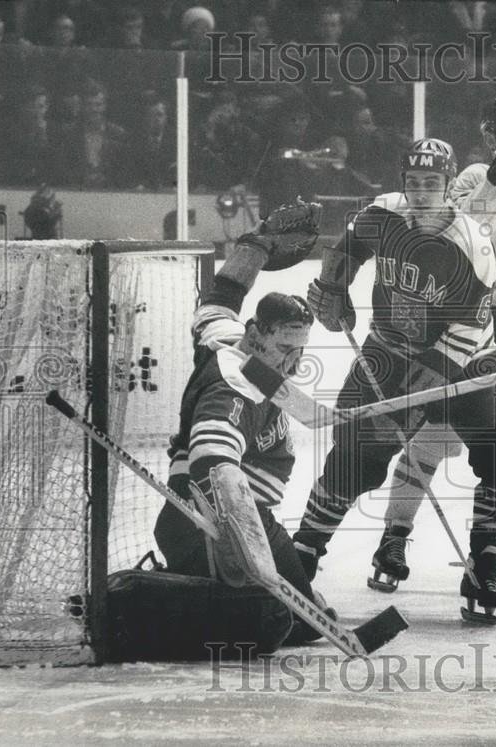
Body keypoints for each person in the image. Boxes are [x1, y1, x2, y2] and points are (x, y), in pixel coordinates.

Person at [300, 137, 496, 624]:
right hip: (387, 351)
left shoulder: (471, 242)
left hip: (469, 363)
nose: (422, 192)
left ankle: (485, 564)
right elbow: (345, 250)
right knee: (356, 455)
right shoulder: (383, 213)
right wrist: (332, 288)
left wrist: (407, 403)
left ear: (450, 188)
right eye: (413, 183)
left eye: (432, 184)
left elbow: (466, 333)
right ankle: (303, 551)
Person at [366, 92, 496, 597]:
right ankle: (394, 535)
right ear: (488, 134)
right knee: (439, 437)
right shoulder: (470, 179)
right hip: (478, 323)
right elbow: (461, 228)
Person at [153, 200, 331, 646]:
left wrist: (257, 246)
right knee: (290, 625)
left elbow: (221, 297)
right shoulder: (233, 388)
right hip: (213, 528)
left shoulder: (226, 338)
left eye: (301, 351)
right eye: (285, 349)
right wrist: (242, 545)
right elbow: (213, 462)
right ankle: (165, 601)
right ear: (256, 338)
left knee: (301, 615)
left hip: (239, 521)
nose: (294, 363)